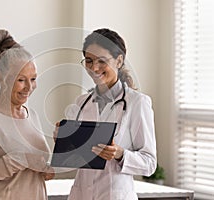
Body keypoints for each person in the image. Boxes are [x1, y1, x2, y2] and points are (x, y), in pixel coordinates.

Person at [60, 28, 157, 200]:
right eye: (89, 61)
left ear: (119, 61)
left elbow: (150, 164)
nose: (94, 68)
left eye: (102, 61)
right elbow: (75, 156)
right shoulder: (81, 103)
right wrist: (63, 141)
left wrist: (120, 154)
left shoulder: (137, 103)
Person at [0, 29, 54, 200]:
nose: (29, 88)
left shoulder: (33, 116)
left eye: (33, 79)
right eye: (21, 80)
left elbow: (35, 163)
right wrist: (22, 159)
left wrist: (46, 169)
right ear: (2, 77)